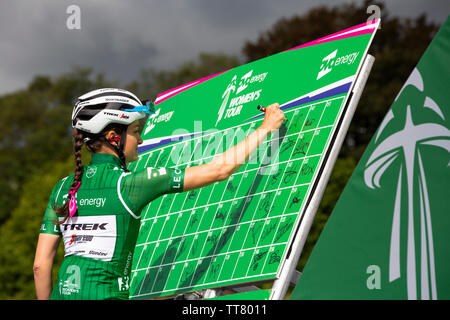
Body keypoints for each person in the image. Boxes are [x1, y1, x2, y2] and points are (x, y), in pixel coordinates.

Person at [33, 88, 286, 300]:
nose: (140, 140)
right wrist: (266, 128)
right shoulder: (130, 184)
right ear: (113, 137)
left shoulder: (63, 187)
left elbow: (40, 265)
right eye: (134, 132)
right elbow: (219, 170)